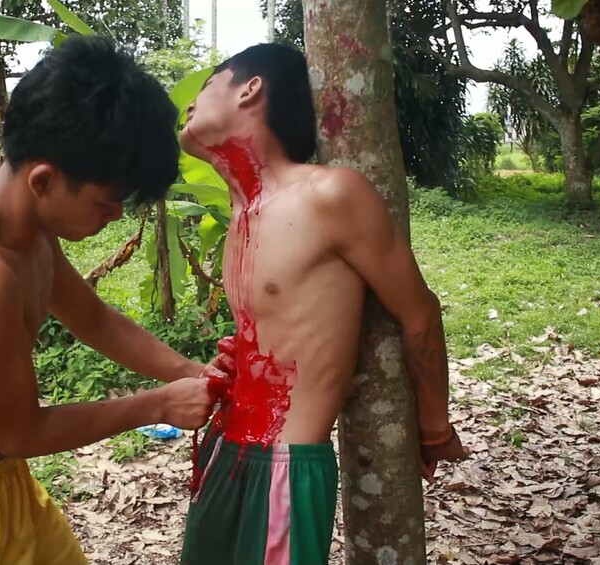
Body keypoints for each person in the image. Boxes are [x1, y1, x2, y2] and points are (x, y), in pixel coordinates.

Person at [0, 35, 232, 565]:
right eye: (108, 201)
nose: (115, 216)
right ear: (44, 179)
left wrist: (191, 372)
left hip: (0, 486)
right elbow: (20, 431)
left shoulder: (19, 223)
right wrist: (157, 404)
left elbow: (92, 318)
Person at [178, 43, 470, 565]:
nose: (189, 104)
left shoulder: (330, 194)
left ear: (250, 89)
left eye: (206, 86)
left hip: (283, 467)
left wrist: (434, 430)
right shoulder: (242, 213)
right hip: (223, 450)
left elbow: (419, 313)